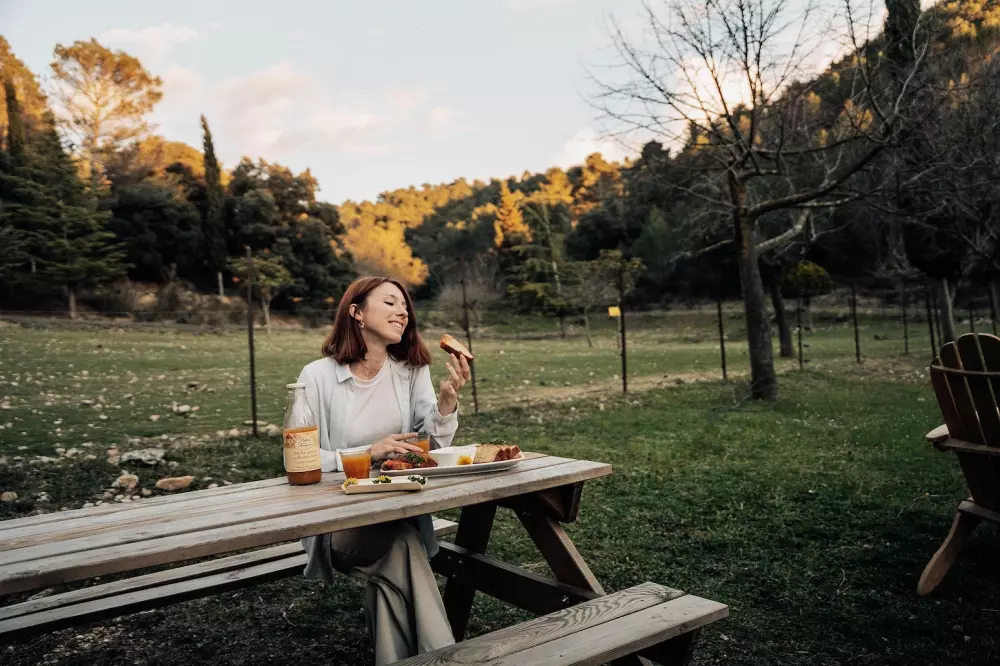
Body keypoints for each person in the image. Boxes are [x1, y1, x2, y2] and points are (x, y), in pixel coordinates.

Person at [295, 276, 471, 665]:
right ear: (356, 313)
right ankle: (446, 658)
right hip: (336, 520)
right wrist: (367, 452)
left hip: (397, 510)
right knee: (403, 546)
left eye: (405, 305)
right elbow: (300, 460)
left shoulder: (411, 370)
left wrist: (445, 403)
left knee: (395, 564)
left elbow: (430, 448)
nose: (402, 311)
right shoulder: (317, 376)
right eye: (390, 303)